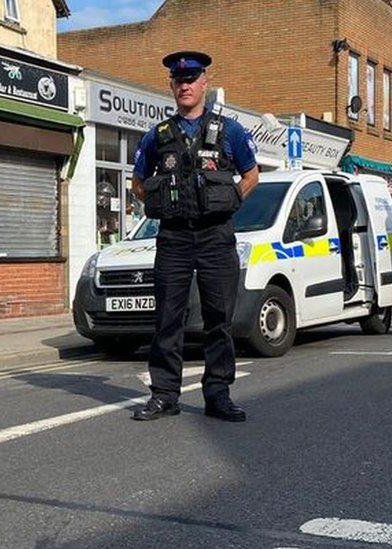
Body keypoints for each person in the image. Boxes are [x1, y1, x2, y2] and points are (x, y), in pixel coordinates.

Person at [130, 51, 260, 422]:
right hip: (173, 238)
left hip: (216, 236)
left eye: (191, 79)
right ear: (171, 86)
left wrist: (231, 197)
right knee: (167, 318)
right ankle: (165, 395)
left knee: (219, 318)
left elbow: (252, 177)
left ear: (205, 84)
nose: (185, 85)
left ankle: (218, 394)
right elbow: (138, 183)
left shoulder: (230, 131)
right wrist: (164, 203)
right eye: (178, 80)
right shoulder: (158, 136)